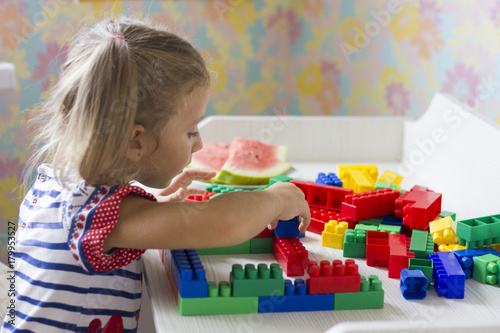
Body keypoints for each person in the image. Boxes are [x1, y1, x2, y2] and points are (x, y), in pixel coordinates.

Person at [1, 17, 310, 332]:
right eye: (191, 131)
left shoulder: (54, 183)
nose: (200, 142)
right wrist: (273, 198)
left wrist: (155, 205)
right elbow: (223, 223)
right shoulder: (100, 215)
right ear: (136, 140)